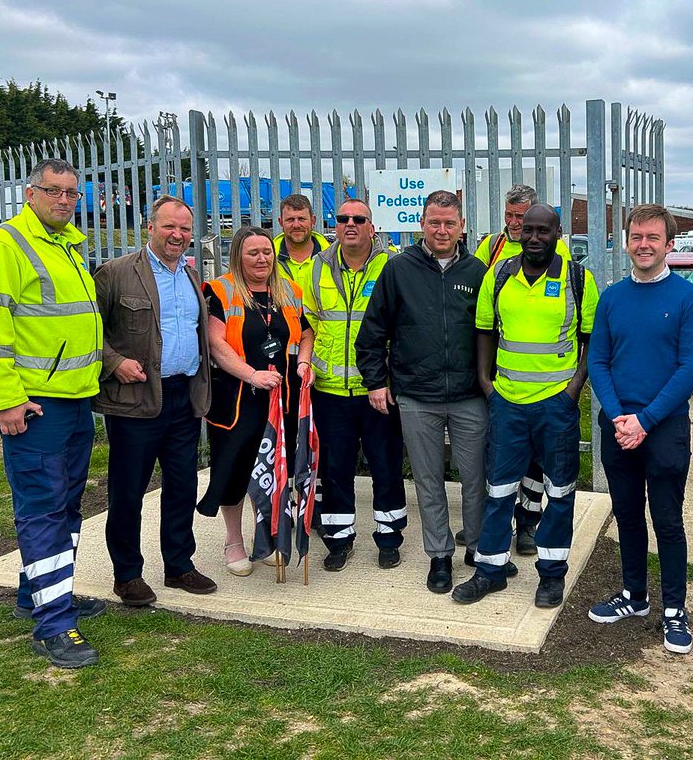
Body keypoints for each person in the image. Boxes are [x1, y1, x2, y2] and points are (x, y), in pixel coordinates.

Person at [0, 157, 106, 669]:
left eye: (72, 192)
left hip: (74, 400)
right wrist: (3, 399)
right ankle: (54, 626)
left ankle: (44, 594)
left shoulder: (70, 246)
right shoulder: (5, 244)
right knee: (43, 508)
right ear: (30, 194)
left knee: (67, 504)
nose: (64, 200)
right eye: (54, 191)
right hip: (35, 407)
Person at [453, 203, 598, 608]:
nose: (533, 237)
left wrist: (572, 390)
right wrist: (487, 383)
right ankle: (490, 571)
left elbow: (591, 339)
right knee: (498, 491)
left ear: (558, 234)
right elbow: (484, 328)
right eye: (527, 230)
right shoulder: (500, 275)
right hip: (508, 404)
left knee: (560, 492)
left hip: (556, 406)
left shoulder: (578, 280)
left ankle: (551, 576)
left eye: (543, 231)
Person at [356, 190, 497, 594]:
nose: (441, 230)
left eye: (449, 223)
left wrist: (491, 383)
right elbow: (371, 334)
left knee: (474, 478)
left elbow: (493, 332)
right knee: (429, 480)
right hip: (416, 396)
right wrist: (376, 381)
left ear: (462, 227)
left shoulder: (478, 272)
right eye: (434, 222)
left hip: (470, 395)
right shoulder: (398, 270)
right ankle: (440, 556)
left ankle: (477, 548)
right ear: (422, 224)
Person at [586, 204, 693, 654]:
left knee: (668, 519)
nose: (643, 245)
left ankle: (674, 609)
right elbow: (598, 360)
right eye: (636, 236)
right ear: (626, 241)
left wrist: (645, 420)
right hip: (618, 425)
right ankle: (634, 596)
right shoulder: (612, 297)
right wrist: (621, 416)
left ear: (669, 244)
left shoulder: (687, 298)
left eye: (653, 238)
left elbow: (690, 368)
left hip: (664, 428)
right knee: (627, 514)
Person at [93, 196, 216, 607]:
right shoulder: (116, 273)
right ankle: (127, 574)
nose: (178, 235)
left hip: (183, 397)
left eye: (184, 228)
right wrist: (114, 363)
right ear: (150, 227)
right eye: (169, 227)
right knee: (128, 491)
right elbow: (92, 331)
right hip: (136, 400)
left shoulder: (189, 276)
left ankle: (179, 565)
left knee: (182, 486)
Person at [197, 226, 314, 576]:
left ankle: (266, 537)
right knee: (236, 469)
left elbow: (306, 332)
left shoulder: (288, 291)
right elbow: (216, 343)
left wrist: (305, 361)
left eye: (266, 251)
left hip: (282, 400)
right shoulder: (221, 290)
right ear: (238, 256)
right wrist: (251, 374)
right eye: (253, 253)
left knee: (274, 472)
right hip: (239, 399)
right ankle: (234, 541)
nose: (262, 258)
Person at [301, 199, 408, 571]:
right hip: (330, 389)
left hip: (378, 389)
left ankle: (389, 537)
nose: (350, 224)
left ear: (371, 227)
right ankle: (338, 539)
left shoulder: (393, 265)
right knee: (335, 469)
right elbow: (309, 323)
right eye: (343, 218)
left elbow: (404, 326)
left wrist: (392, 379)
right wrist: (304, 362)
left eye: (358, 219)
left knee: (386, 466)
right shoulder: (317, 268)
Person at [472, 183, 571, 556]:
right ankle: (495, 536)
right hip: (505, 381)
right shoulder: (492, 249)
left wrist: (571, 390)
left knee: (535, 466)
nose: (518, 226)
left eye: (523, 218)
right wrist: (486, 380)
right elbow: (480, 306)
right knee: (499, 467)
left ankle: (528, 524)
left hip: (549, 391)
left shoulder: (556, 252)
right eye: (512, 218)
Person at [274, 193, 331, 282]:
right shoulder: (268, 259)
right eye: (290, 219)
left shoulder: (332, 258)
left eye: (301, 219)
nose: (296, 225)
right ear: (280, 222)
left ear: (313, 221)